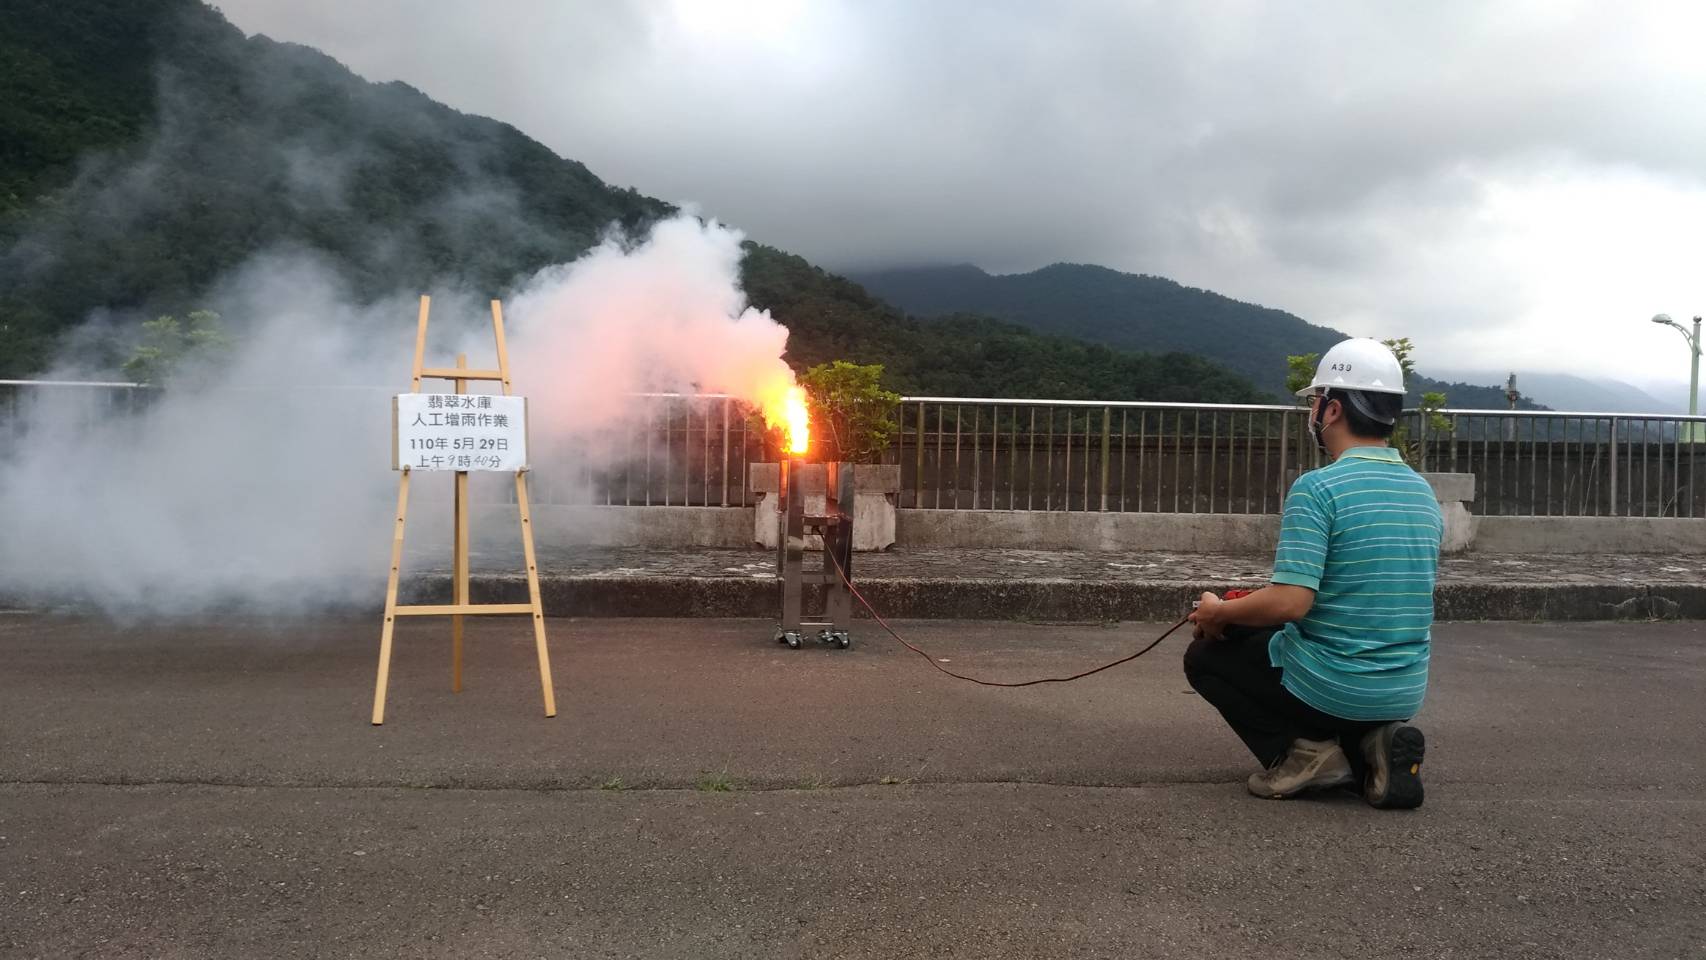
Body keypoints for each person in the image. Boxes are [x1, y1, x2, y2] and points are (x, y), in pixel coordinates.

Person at [1184, 338, 1442, 809]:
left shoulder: (1318, 488)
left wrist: (1221, 612)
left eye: (1316, 402)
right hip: (1404, 688)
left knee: (1205, 657)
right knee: (1301, 648)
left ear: (1333, 410)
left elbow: (1291, 602)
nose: (1314, 412)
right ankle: (1373, 751)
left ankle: (1304, 757)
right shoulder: (1422, 492)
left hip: (1337, 684)